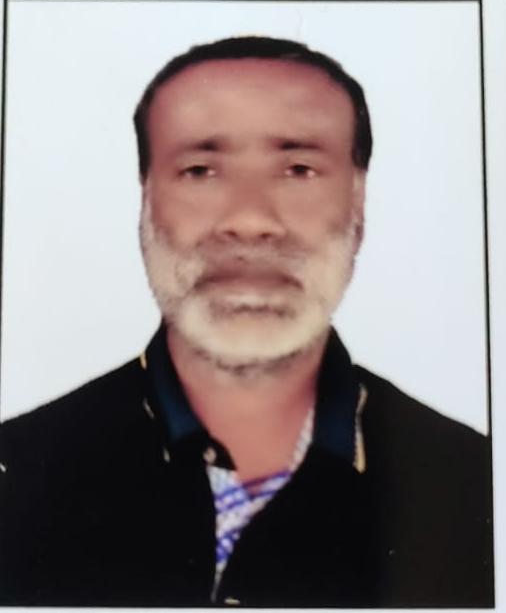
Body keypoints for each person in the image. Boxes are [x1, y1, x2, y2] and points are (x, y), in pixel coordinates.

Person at [0, 36, 493, 607]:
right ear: (146, 197)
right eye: (201, 170)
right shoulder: (18, 471)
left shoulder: (476, 488)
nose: (251, 219)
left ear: (358, 202)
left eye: (299, 169)